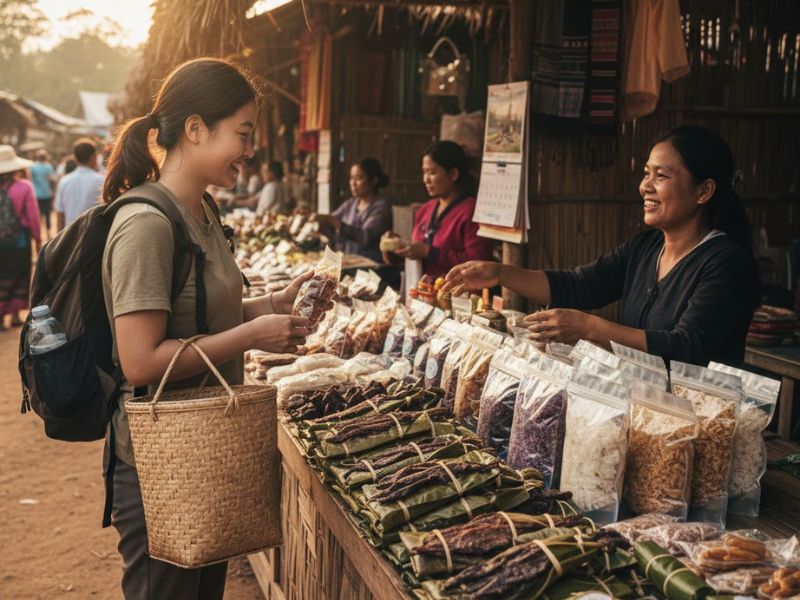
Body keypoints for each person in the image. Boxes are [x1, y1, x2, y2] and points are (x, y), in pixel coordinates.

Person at [101, 57, 311, 600]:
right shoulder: (147, 225)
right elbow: (141, 360)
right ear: (196, 129)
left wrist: (271, 303)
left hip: (203, 452)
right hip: (160, 466)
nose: (249, 150)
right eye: (242, 134)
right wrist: (250, 337)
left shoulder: (204, 211)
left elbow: (204, 313)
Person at [444, 126, 759, 366]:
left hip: (702, 422)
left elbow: (687, 348)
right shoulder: (645, 247)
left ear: (704, 191)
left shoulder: (726, 262)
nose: (645, 186)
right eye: (646, 173)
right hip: (647, 410)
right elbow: (581, 285)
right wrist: (500, 273)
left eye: (661, 176)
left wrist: (589, 327)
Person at [386, 141, 495, 279]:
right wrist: (396, 248)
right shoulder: (424, 210)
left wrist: (429, 252)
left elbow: (479, 264)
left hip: (456, 296)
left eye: (432, 172)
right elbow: (417, 257)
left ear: (453, 174)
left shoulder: (472, 212)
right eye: (424, 172)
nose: (426, 179)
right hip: (422, 292)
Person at [315, 157, 392, 263]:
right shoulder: (351, 204)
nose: (353, 183)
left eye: (359, 178)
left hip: (370, 267)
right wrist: (319, 221)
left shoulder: (381, 207)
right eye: (351, 178)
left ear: (373, 181)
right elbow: (331, 223)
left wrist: (333, 222)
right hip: (348, 263)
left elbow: (365, 237)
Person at [0, 148, 41, 329]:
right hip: (19, 241)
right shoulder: (24, 186)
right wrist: (38, 239)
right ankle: (15, 315)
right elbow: (33, 216)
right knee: (19, 276)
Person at [54, 138, 104, 231]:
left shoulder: (64, 181)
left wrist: (59, 240)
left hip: (69, 235)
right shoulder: (100, 180)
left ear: (75, 159)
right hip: (93, 236)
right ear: (94, 157)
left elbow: (60, 214)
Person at [28, 151, 55, 240]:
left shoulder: (33, 167)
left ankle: (38, 233)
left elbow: (30, 179)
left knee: (38, 214)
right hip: (47, 193)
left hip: (36, 194)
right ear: (45, 157)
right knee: (47, 214)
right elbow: (52, 179)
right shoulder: (48, 167)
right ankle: (48, 233)